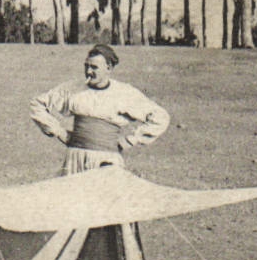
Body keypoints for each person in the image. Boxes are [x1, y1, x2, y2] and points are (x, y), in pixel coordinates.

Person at [30, 44, 170, 175]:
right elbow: (37, 104)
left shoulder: (124, 92)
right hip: (74, 158)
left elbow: (160, 117)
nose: (88, 72)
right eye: (86, 66)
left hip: (106, 160)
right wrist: (59, 132)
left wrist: (130, 140)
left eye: (94, 67)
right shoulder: (74, 88)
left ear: (108, 68)